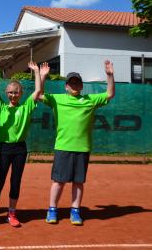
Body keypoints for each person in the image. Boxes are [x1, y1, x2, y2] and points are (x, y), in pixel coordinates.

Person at [38, 60, 115, 225]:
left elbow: (109, 94)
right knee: (58, 181)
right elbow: (38, 95)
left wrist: (109, 76)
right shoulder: (57, 99)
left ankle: (75, 211)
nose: (74, 85)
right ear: (66, 86)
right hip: (63, 147)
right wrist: (42, 76)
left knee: (78, 181)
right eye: (71, 82)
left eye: (77, 83)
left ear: (81, 87)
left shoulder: (90, 100)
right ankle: (52, 210)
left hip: (82, 148)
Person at [0, 55, 49, 228]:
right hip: (5, 148)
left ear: (21, 94)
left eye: (16, 92)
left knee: (15, 181)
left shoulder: (26, 106)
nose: (13, 95)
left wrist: (36, 72)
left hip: (20, 149)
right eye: (10, 92)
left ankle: (11, 213)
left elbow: (37, 92)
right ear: (7, 94)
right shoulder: (1, 107)